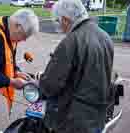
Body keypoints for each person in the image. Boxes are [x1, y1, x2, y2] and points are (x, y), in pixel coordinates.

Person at [39, 0, 114, 132]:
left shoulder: (71, 41)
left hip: (72, 119)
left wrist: (40, 81)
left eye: (58, 21)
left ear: (66, 20)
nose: (59, 26)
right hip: (97, 115)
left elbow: (51, 84)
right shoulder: (105, 36)